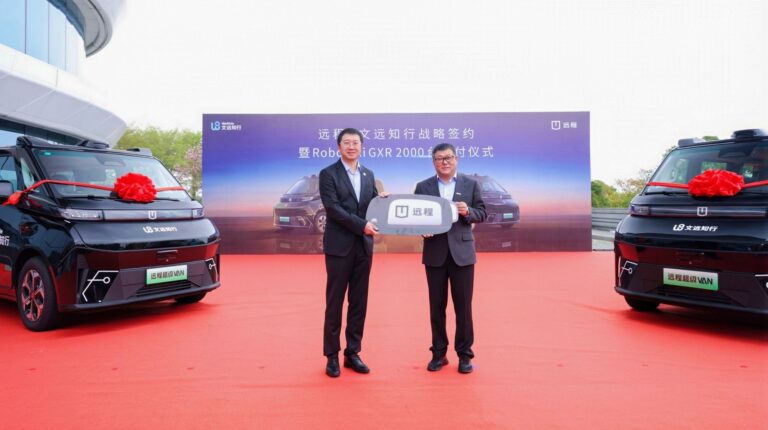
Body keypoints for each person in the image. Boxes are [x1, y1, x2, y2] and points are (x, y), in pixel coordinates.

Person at [414, 143, 486, 374]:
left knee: (463, 308)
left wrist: (468, 212)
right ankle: (438, 353)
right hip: (435, 253)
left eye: (449, 157)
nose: (444, 162)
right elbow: (415, 218)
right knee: (437, 307)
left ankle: (465, 355)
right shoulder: (423, 186)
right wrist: (420, 229)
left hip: (462, 254)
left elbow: (483, 213)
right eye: (439, 158)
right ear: (433, 162)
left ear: (457, 159)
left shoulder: (471, 185)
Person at [320, 128, 384, 378]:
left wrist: (384, 202)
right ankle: (332, 355)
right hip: (339, 246)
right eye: (346, 142)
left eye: (355, 142)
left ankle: (352, 352)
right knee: (334, 302)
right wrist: (362, 225)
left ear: (362, 146)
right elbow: (333, 208)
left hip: (363, 247)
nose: (351, 146)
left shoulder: (369, 174)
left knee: (359, 301)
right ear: (339, 147)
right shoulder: (328, 174)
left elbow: (373, 204)